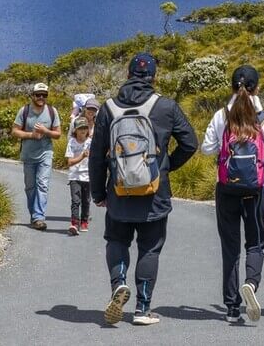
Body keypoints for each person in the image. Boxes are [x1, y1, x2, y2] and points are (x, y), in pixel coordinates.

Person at [89, 52, 198, 327]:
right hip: (154, 193)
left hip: (119, 191)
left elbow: (95, 155)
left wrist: (99, 193)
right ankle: (142, 309)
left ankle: (119, 283)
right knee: (149, 249)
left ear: (127, 75)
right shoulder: (165, 107)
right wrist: (166, 166)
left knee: (116, 242)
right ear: (153, 76)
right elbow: (190, 142)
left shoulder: (108, 108)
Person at [200, 65, 264, 323]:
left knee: (230, 247)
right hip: (256, 189)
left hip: (226, 189)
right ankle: (251, 283)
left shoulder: (221, 115)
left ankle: (232, 306)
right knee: (256, 242)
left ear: (231, 87)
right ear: (257, 88)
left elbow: (207, 148)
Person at [10, 82, 62, 230]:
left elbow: (58, 134)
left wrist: (46, 131)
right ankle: (34, 215)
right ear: (32, 95)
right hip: (28, 156)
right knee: (30, 187)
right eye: (38, 95)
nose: (41, 97)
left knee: (42, 185)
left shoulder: (52, 111)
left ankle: (39, 217)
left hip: (46, 154)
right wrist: (31, 135)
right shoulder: (24, 111)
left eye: (44, 95)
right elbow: (15, 131)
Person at [65, 117, 92, 236]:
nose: (83, 131)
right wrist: (82, 156)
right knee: (75, 200)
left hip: (88, 175)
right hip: (75, 176)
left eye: (85, 128)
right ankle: (74, 223)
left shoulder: (91, 142)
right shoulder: (71, 142)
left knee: (86, 200)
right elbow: (69, 162)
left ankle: (84, 221)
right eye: (80, 128)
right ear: (75, 130)